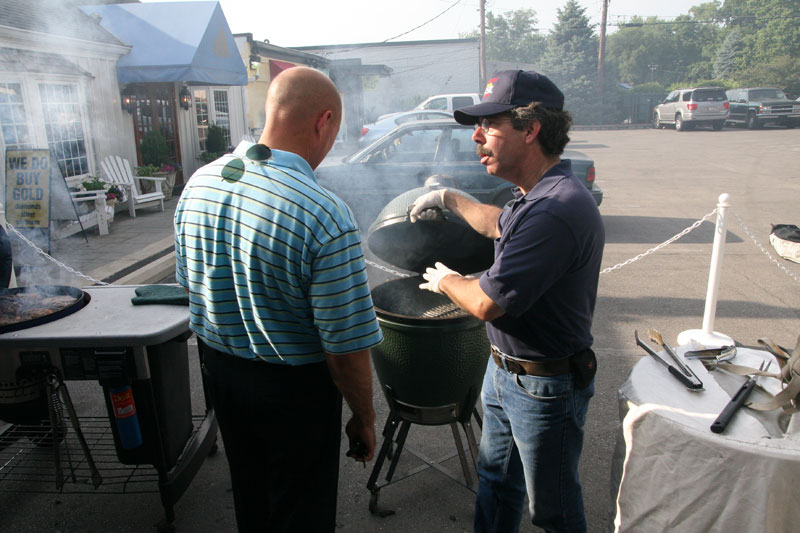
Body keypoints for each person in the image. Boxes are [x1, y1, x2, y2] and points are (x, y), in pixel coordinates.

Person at [174, 67, 383, 532]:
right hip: (295, 394)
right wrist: (363, 417)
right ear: (323, 121)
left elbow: (190, 288)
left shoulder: (200, 184)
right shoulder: (325, 215)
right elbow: (345, 348)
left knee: (251, 497)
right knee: (299, 512)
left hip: (222, 377)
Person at [409, 70, 605, 532]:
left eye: (490, 125)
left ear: (530, 129)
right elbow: (499, 222)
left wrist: (448, 280)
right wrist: (450, 199)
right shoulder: (535, 193)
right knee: (496, 483)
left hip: (544, 387)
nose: (477, 136)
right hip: (505, 373)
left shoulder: (555, 210)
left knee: (554, 509)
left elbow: (484, 304)